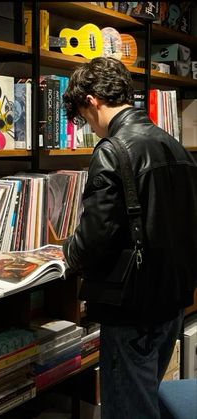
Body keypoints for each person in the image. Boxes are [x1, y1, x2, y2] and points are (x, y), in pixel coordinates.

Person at [62, 57, 197, 419]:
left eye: (83, 114)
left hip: (132, 307)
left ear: (91, 101)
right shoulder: (175, 146)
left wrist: (65, 252)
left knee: (127, 409)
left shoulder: (113, 150)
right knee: (145, 396)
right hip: (173, 299)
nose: (88, 125)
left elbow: (93, 238)